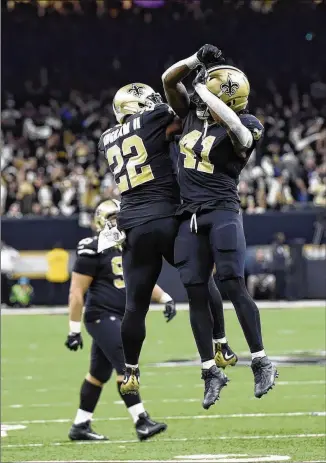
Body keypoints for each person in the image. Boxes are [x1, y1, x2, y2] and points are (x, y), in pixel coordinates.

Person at [99, 83, 237, 408]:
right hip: (167, 216)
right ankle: (220, 347)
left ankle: (131, 371)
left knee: (135, 306)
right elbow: (182, 115)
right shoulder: (155, 118)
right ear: (138, 107)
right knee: (200, 280)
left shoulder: (107, 137)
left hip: (132, 225)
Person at [162, 44, 278, 404]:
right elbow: (168, 79)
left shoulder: (248, 123)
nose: (198, 92)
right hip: (190, 215)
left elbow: (239, 135)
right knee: (195, 289)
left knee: (231, 281)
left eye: (207, 86)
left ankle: (261, 361)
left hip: (223, 210)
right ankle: (210, 370)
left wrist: (203, 90)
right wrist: (195, 61)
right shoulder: (193, 114)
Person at [65, 199, 176, 441]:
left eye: (120, 217)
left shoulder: (128, 247)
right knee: (126, 366)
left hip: (118, 317)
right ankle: (141, 420)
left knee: (97, 375)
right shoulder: (91, 247)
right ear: (101, 221)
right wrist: (73, 330)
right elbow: (76, 292)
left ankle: (80, 425)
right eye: (112, 218)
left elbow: (137, 280)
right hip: (102, 316)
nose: (118, 222)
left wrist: (165, 297)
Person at [1, 241, 19, 306]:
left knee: (8, 288)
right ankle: (2, 302)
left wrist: (13, 264)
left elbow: (17, 255)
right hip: (1, 272)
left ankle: (8, 302)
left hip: (8, 272)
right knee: (2, 288)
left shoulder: (9, 251)